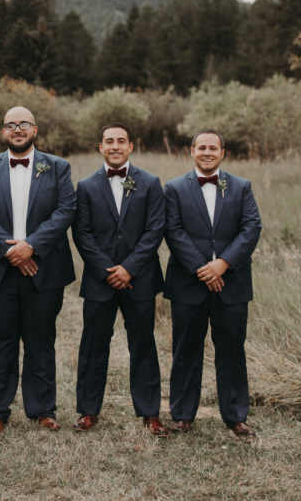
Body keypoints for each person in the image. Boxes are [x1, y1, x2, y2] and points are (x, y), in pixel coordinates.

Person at [0, 106, 76, 433]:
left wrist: (31, 246)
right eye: (11, 125)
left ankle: (43, 409)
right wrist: (11, 252)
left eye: (24, 124)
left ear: (35, 130)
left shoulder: (57, 167)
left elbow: (65, 210)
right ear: (3, 132)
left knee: (41, 339)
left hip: (44, 268)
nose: (17, 129)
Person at [71, 123, 168, 436]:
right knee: (93, 346)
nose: (115, 146)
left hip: (140, 278)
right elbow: (81, 233)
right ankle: (88, 411)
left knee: (143, 345)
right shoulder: (85, 186)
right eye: (109, 141)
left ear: (131, 146)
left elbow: (155, 230)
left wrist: (129, 268)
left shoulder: (151, 183)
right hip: (100, 281)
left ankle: (150, 413)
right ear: (100, 147)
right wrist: (107, 270)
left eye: (121, 141)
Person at [164, 130, 262, 438]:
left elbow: (251, 227)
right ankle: (181, 415)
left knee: (232, 349)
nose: (207, 152)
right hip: (188, 284)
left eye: (213, 148)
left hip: (231, 283)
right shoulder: (175, 188)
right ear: (191, 151)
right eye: (201, 147)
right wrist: (200, 268)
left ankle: (235, 416)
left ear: (223, 152)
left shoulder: (241, 187)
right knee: (185, 349)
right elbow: (173, 230)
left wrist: (223, 264)